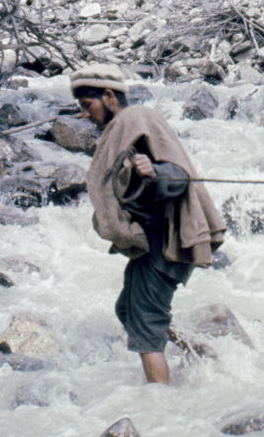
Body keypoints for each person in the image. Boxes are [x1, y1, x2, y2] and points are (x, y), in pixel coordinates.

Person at [72, 64, 225, 384]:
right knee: (128, 311)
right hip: (150, 243)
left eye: (88, 105)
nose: (85, 115)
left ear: (109, 96)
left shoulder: (138, 119)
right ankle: (195, 353)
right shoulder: (123, 128)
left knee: (145, 325)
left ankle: (162, 407)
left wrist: (155, 172)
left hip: (165, 242)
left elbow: (178, 175)